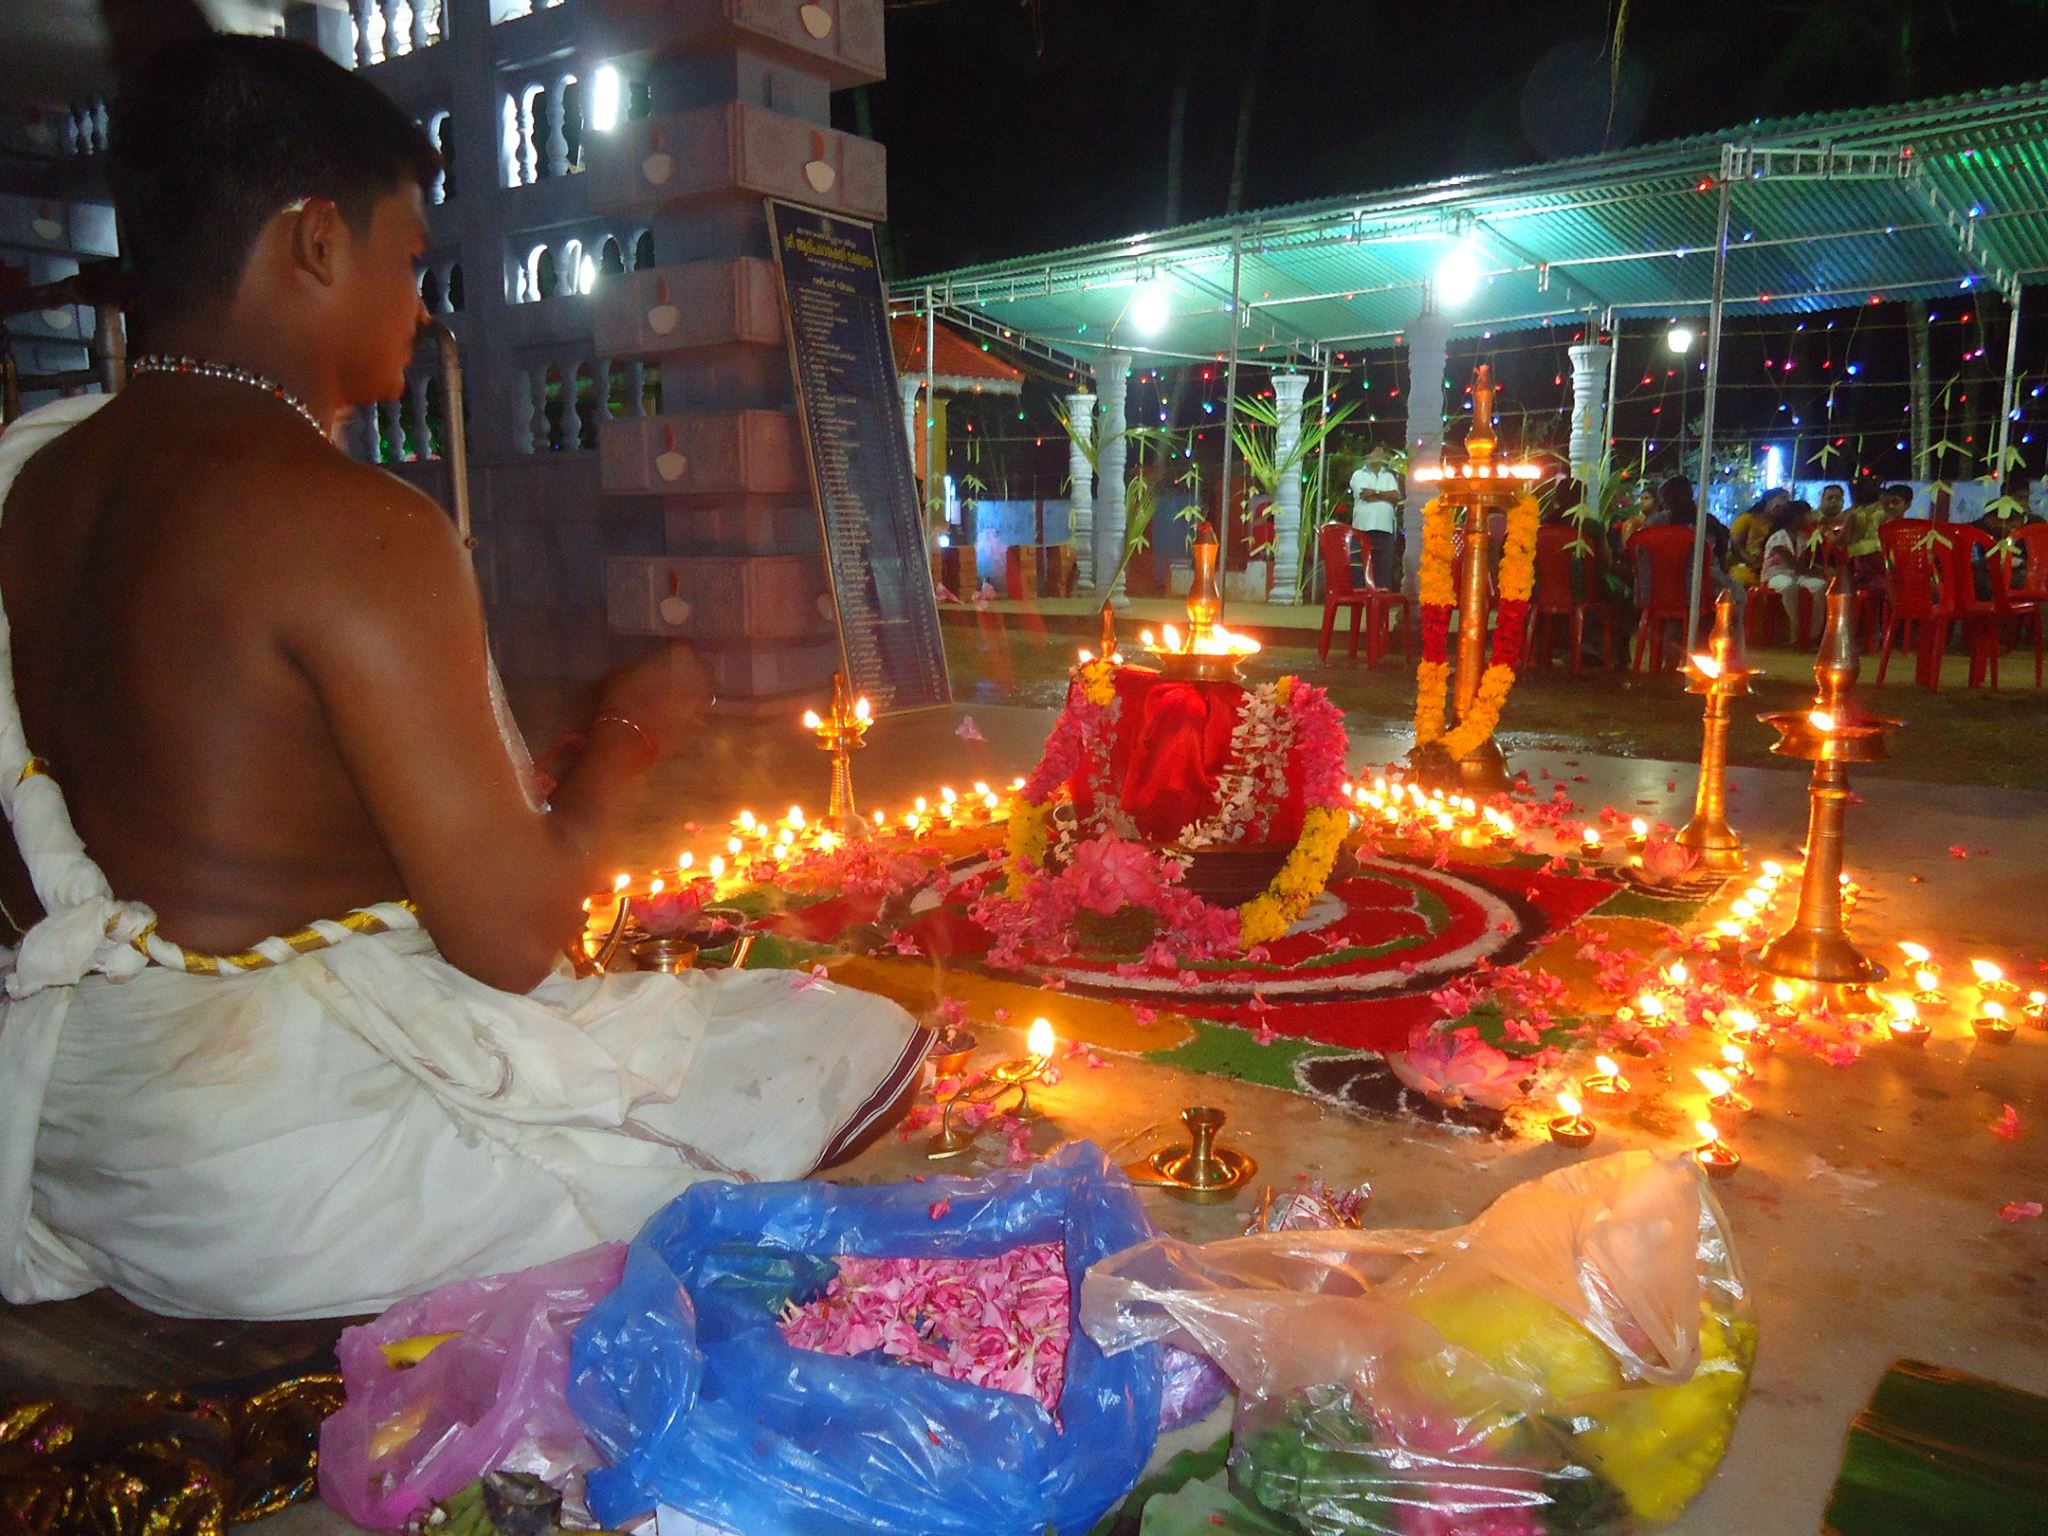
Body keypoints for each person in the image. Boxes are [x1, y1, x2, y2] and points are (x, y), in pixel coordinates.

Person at [0, 8, 927, 1321]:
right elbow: (515, 939)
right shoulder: (349, 523)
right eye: (411, 258)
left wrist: (526, 734)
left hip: (92, 1136)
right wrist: (630, 738)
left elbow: (229, 760)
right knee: (844, 1043)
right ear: (315, 240)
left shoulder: (37, 486)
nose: (422, 306)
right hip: (282, 1177)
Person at [1758, 498, 1828, 635]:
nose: (1810, 518)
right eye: (1807, 515)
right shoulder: (1778, 538)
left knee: (1820, 585)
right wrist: (1816, 572)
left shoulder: (1804, 537)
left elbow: (1808, 561)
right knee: (1788, 586)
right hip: (1776, 575)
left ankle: (1814, 633)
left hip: (1797, 575)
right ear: (1797, 517)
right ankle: (1793, 631)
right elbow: (1794, 564)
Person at [1347, 443, 1402, 590]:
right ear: (1368, 456)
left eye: (1381, 454)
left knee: (1383, 563)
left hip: (1385, 527)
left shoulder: (1389, 476)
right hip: (1363, 527)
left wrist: (1375, 492)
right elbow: (1365, 495)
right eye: (1375, 453)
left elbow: (1395, 496)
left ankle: (1381, 595)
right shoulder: (1358, 475)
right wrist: (1385, 495)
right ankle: (1360, 593)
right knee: (1360, 562)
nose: (1379, 457)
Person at [1726, 489, 1787, 587]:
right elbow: (1736, 546)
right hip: (1744, 566)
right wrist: (1752, 561)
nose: (1785, 503)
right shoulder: (1746, 519)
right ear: (1768, 500)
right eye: (1783, 498)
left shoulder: (1778, 526)